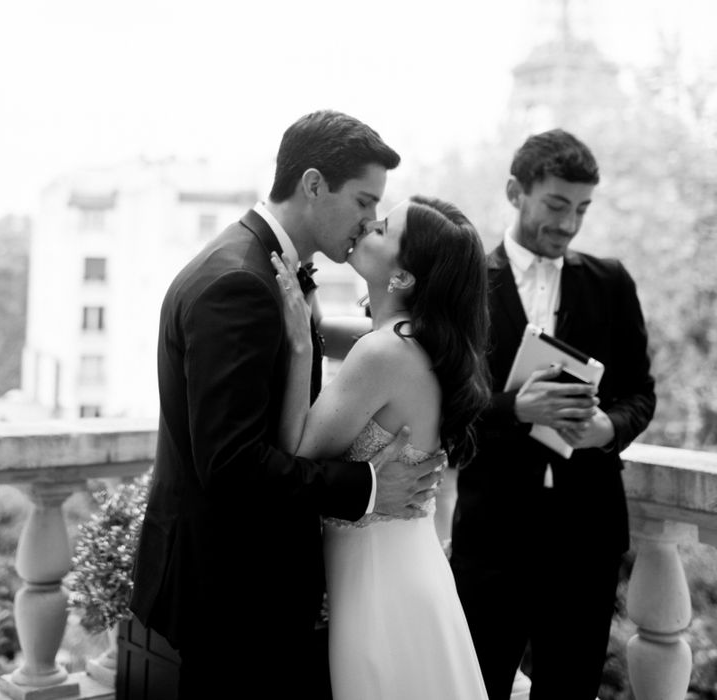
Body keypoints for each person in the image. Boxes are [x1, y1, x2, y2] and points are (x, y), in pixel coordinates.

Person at [129, 110, 447, 699]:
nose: (369, 221)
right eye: (363, 201)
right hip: (229, 599)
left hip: (245, 594)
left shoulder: (261, 269)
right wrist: (367, 489)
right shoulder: (241, 285)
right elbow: (231, 466)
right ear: (313, 184)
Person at [450, 129, 656, 700]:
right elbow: (445, 404)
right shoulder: (465, 288)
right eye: (557, 206)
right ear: (516, 192)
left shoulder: (611, 283)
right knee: (476, 687)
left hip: (586, 538)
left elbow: (641, 392)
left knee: (571, 690)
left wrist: (607, 428)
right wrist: (514, 408)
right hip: (492, 536)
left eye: (582, 210)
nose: (569, 225)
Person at [271, 195, 491, 700]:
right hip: (405, 570)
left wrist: (301, 346)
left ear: (402, 278)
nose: (366, 223)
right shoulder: (420, 345)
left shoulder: (384, 351)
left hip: (380, 589)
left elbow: (297, 453)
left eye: (381, 228)